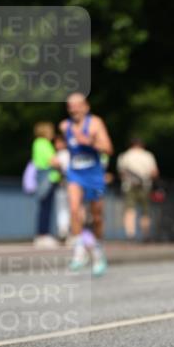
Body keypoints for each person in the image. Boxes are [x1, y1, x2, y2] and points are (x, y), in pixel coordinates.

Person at [59, 93, 113, 276]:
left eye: (77, 105)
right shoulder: (64, 126)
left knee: (97, 216)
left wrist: (89, 141)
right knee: (74, 209)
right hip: (75, 174)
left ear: (86, 107)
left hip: (94, 175)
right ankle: (79, 251)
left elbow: (108, 148)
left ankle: (98, 251)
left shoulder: (95, 123)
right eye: (70, 106)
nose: (73, 109)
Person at [117, 137, 160, 241]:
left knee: (129, 209)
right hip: (145, 185)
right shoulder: (148, 156)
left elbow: (121, 173)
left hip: (129, 185)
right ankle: (145, 234)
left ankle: (130, 234)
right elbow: (154, 173)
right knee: (145, 211)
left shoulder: (125, 156)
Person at [31, 122, 60, 248]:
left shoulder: (37, 143)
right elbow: (52, 161)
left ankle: (42, 234)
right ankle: (43, 235)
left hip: (43, 177)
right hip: (47, 178)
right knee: (46, 206)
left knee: (44, 206)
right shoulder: (44, 143)